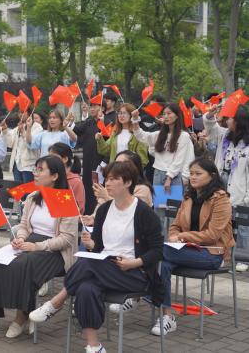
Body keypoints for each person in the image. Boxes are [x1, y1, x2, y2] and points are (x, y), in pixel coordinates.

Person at [30, 161, 163, 353]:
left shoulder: (143, 212)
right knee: (86, 288)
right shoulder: (104, 210)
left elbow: (157, 250)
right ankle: (94, 346)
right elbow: (100, 247)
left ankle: (57, 301)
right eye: (106, 178)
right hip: (104, 268)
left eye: (113, 179)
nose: (107, 183)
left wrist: (134, 263)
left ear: (128, 183)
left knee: (87, 263)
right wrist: (91, 244)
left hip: (134, 272)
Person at [0, 155, 78, 337]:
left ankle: (22, 316)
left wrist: (37, 247)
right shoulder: (34, 197)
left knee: (23, 265)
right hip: (30, 242)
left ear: (55, 176)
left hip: (56, 251)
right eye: (35, 169)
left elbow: (66, 239)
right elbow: (24, 225)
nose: (35, 173)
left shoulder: (65, 199)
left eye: (41, 170)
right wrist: (20, 238)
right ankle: (3, 308)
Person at [152, 158, 234, 336]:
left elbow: (212, 235)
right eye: (191, 173)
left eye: (198, 173)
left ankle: (139, 294)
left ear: (212, 176)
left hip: (212, 254)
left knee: (157, 252)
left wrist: (182, 236)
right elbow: (175, 225)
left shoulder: (221, 199)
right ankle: (167, 316)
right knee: (162, 264)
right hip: (185, 251)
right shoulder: (188, 197)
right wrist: (174, 235)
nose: (193, 177)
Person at [203, 104, 249, 271]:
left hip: (240, 189)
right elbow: (210, 127)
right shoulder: (225, 136)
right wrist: (211, 113)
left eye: (230, 118)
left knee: (242, 226)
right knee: (222, 223)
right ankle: (222, 254)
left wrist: (247, 197)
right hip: (221, 185)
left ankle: (244, 257)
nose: (226, 121)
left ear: (238, 121)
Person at [131, 103, 195, 189]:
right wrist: (135, 119)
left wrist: (170, 177)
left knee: (174, 198)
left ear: (177, 116)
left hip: (175, 175)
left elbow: (179, 159)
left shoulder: (184, 136)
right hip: (158, 173)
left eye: (169, 113)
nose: (166, 116)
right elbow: (141, 135)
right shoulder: (159, 134)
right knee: (159, 198)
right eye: (164, 114)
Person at [74, 102, 103, 214]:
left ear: (101, 107)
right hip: (87, 160)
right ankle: (87, 214)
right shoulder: (89, 121)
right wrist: (69, 123)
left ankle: (98, 213)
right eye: (91, 106)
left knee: (98, 188)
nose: (92, 109)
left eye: (95, 106)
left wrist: (102, 121)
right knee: (87, 187)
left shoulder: (107, 121)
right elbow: (77, 130)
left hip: (101, 162)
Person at [1, 112, 42, 183]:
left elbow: (32, 144)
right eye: (19, 112)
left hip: (29, 165)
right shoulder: (18, 127)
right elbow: (10, 143)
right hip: (17, 164)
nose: (20, 114)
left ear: (29, 113)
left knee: (28, 188)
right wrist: (5, 130)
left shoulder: (37, 127)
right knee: (18, 188)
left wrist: (23, 132)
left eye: (23, 112)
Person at [48, 143, 85, 214]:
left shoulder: (76, 182)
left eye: (53, 157)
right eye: (49, 158)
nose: (49, 161)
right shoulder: (50, 178)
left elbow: (79, 209)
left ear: (65, 159)